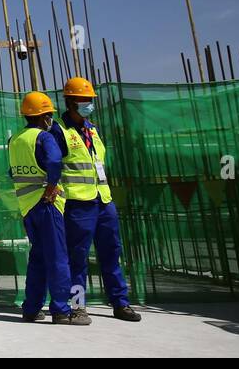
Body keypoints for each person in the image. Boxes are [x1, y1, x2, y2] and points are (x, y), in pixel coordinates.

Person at [58, 76, 142, 322]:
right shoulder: (59, 130)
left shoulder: (91, 129)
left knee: (112, 252)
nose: (89, 104)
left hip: (103, 201)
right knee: (78, 257)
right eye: (85, 100)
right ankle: (77, 306)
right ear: (71, 102)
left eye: (90, 100)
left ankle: (120, 303)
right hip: (77, 203)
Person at [9, 91, 87, 324]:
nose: (50, 119)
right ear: (44, 117)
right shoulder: (44, 137)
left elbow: (12, 172)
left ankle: (31, 308)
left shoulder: (15, 140)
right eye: (49, 115)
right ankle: (62, 309)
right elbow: (54, 162)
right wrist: (51, 186)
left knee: (39, 257)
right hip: (47, 205)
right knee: (58, 258)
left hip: (27, 206)